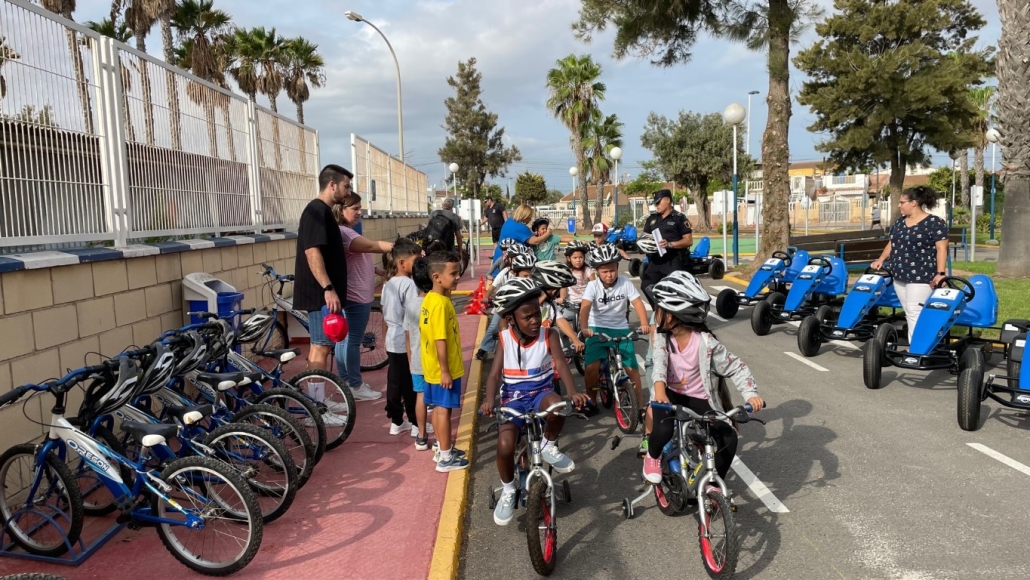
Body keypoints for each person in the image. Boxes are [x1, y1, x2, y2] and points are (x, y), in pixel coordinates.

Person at [480, 278, 588, 526]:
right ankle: (508, 488)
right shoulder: (505, 339)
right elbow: (495, 375)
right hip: (514, 398)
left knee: (558, 406)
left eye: (536, 315)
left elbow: (560, 364)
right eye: (527, 317)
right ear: (512, 320)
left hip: (541, 392)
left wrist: (572, 392)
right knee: (505, 445)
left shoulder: (548, 335)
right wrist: (488, 400)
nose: (534, 321)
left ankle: (549, 445)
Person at [642, 271, 764, 490]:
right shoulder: (661, 336)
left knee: (728, 437)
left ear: (669, 316)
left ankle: (712, 485)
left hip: (698, 398)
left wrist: (751, 395)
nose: (655, 314)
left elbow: (737, 367)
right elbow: (659, 365)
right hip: (668, 394)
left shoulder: (706, 343)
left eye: (657, 309)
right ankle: (652, 456)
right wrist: (659, 392)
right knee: (663, 430)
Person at [870, 185, 949, 343]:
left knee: (914, 311)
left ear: (914, 203)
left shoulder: (934, 223)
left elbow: (942, 249)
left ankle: (917, 348)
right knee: (909, 311)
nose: (899, 205)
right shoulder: (900, 222)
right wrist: (881, 259)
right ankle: (925, 342)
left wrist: (940, 274)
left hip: (921, 276)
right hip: (900, 275)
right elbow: (892, 243)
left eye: (902, 202)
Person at [333, 194, 393, 402]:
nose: (360, 212)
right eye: (355, 208)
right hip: (356, 295)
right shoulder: (346, 234)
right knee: (352, 341)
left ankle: (347, 382)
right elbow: (370, 247)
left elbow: (356, 260)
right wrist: (399, 248)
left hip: (354, 293)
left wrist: (377, 271)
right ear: (341, 210)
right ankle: (355, 385)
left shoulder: (344, 232)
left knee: (345, 341)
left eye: (360, 208)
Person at [579, 245, 652, 414]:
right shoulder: (593, 286)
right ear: (597, 271)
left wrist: (643, 323)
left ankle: (639, 406)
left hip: (620, 328)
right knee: (591, 368)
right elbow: (585, 307)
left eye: (612, 270)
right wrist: (584, 328)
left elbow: (638, 303)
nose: (609, 275)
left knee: (632, 369)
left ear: (618, 268)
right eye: (604, 272)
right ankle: (592, 401)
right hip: (596, 328)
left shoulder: (625, 282)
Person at [294, 164, 350, 375]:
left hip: (324, 294)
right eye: (346, 186)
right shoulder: (316, 211)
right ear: (332, 184)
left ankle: (316, 401)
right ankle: (317, 404)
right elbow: (312, 252)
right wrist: (328, 288)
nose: (348, 192)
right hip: (320, 295)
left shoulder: (323, 211)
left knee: (323, 346)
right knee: (321, 346)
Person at [420, 251, 469, 472]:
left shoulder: (430, 298)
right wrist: (446, 371)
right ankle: (446, 458)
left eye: (458, 272)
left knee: (439, 409)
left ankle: (443, 448)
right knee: (444, 410)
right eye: (454, 273)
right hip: (443, 369)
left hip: (432, 368)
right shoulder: (440, 304)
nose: (458, 277)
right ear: (437, 277)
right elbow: (440, 339)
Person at [382, 239, 423, 438]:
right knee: (409, 383)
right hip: (405, 338)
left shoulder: (388, 284)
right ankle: (416, 423)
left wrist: (384, 338)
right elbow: (412, 315)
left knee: (394, 382)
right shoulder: (409, 284)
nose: (418, 265)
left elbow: (383, 314)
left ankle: (396, 421)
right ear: (401, 263)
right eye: (415, 261)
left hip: (392, 337)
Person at [476, 251, 537, 360]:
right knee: (494, 327)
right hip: (505, 307)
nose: (528, 279)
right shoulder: (506, 275)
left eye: (531, 275)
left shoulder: (534, 283)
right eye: (525, 275)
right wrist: (486, 297)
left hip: (524, 311)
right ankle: (484, 348)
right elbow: (493, 287)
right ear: (515, 273)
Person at [642, 188, 693, 291]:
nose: (656, 206)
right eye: (655, 203)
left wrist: (670, 244)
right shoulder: (652, 219)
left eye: (658, 202)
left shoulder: (679, 218)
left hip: (673, 261)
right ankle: (658, 307)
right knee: (646, 286)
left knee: (672, 291)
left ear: (667, 200)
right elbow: (645, 236)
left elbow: (688, 241)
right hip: (655, 260)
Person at [489, 204, 552, 276]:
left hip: (499, 257)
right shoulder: (521, 227)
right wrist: (548, 234)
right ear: (525, 216)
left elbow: (519, 235)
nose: (530, 219)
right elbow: (535, 241)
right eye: (529, 217)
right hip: (508, 262)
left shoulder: (509, 221)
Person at [560, 241, 594, 327]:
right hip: (571, 302)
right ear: (569, 258)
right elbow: (563, 287)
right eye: (575, 258)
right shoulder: (567, 271)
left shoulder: (588, 270)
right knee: (564, 321)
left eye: (580, 257)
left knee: (589, 322)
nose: (578, 260)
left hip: (586, 302)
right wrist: (562, 297)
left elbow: (594, 285)